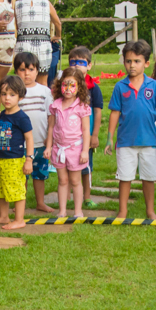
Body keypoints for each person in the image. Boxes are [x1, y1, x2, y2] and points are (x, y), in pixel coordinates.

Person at [105, 40, 156, 222]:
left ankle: (150, 211)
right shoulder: (119, 87)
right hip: (125, 141)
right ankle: (122, 211)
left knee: (149, 177)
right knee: (125, 177)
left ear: (146, 63)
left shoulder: (153, 86)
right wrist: (109, 138)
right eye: (128, 61)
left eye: (137, 61)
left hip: (149, 141)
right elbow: (114, 113)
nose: (132, 65)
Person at [0, 75, 32, 230]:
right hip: (1, 159)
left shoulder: (22, 117)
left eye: (12, 95)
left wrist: (29, 160)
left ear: (20, 96)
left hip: (15, 160)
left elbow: (29, 138)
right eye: (4, 94)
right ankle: (3, 216)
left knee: (16, 190)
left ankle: (19, 219)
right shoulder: (4, 114)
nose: (7, 98)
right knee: (0, 188)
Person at [46, 68, 91, 218]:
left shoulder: (82, 107)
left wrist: (85, 150)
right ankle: (62, 211)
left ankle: (78, 211)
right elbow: (51, 127)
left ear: (79, 87)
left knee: (75, 180)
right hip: (59, 149)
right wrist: (48, 146)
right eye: (65, 85)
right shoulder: (55, 106)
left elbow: (86, 130)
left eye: (72, 86)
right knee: (63, 180)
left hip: (76, 150)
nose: (68, 89)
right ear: (60, 85)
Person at [14, 51, 54, 214]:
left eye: (31, 69)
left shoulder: (45, 91)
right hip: (20, 144)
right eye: (22, 70)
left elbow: (51, 117)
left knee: (40, 174)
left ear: (37, 70)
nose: (27, 73)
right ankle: (19, 205)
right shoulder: (14, 91)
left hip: (40, 142)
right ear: (16, 71)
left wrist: (49, 140)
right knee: (21, 175)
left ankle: (40, 202)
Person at [67, 46, 103, 207]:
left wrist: (94, 135)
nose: (76, 66)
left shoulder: (93, 88)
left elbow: (98, 112)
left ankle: (86, 197)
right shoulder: (65, 87)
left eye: (80, 62)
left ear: (89, 65)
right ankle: (67, 196)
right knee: (67, 166)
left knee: (86, 166)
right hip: (68, 135)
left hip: (85, 136)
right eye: (72, 62)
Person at [14, 0, 60, 77]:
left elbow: (16, 26)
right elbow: (57, 23)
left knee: (22, 78)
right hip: (42, 46)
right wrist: (58, 36)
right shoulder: (46, 4)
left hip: (23, 45)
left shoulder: (17, 4)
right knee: (42, 78)